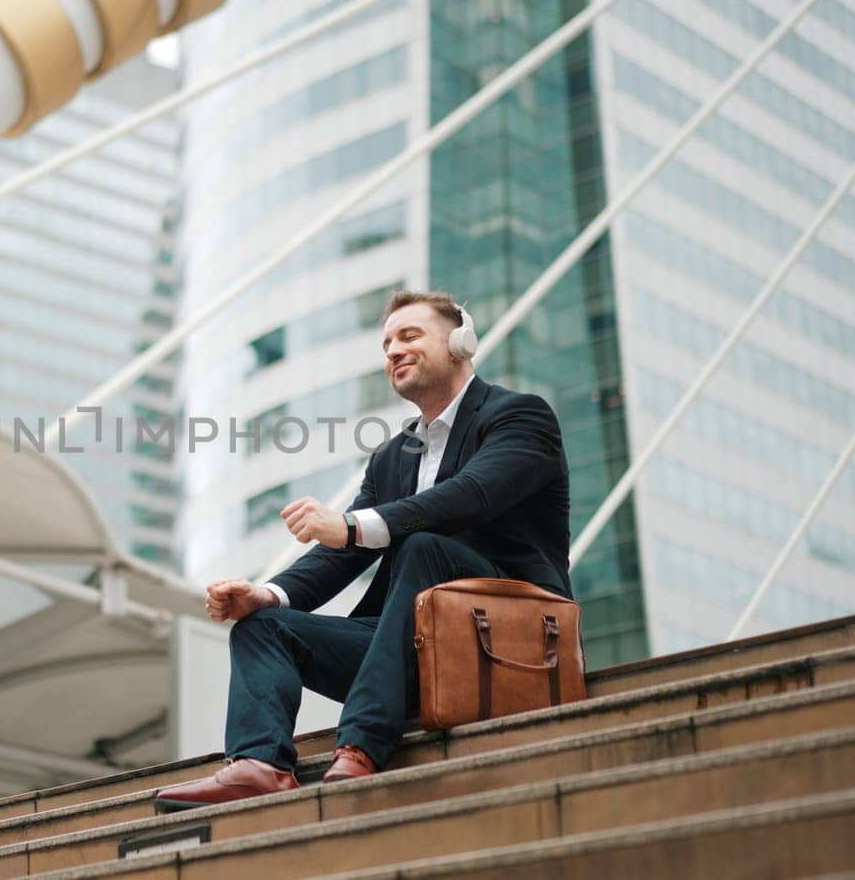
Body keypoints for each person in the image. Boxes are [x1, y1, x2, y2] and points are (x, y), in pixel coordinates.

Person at [154, 290, 571, 811]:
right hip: (412, 648)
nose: (393, 350)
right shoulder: (393, 457)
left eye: (410, 336)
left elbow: (472, 495)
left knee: (425, 547)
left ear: (461, 342)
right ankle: (259, 765)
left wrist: (351, 525)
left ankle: (361, 744)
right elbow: (343, 552)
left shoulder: (521, 417)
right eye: (387, 343)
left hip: (506, 638)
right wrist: (265, 594)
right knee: (262, 627)